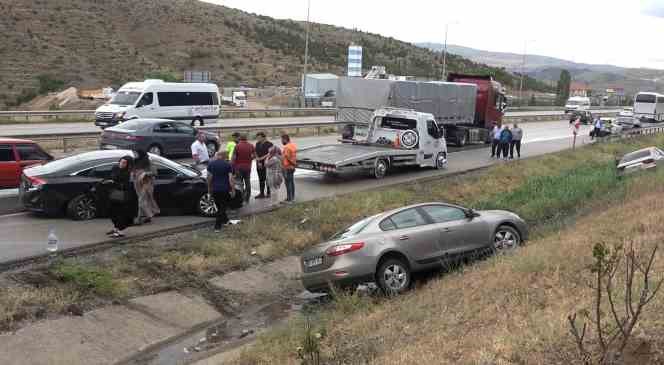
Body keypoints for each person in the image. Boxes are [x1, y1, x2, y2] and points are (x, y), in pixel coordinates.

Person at [106, 156, 135, 238]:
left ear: (128, 164)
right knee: (111, 211)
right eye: (121, 162)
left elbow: (126, 185)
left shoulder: (128, 173)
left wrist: (114, 182)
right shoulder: (115, 168)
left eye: (124, 163)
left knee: (120, 213)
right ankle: (116, 228)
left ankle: (120, 231)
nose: (121, 164)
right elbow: (111, 176)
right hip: (113, 193)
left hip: (123, 196)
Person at [207, 151, 235, 232]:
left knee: (219, 206)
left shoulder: (211, 164)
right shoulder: (228, 165)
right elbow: (231, 178)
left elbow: (209, 178)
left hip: (215, 189)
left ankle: (225, 221)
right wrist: (233, 189)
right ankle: (217, 226)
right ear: (224, 156)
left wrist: (209, 189)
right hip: (225, 189)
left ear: (218, 155)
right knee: (222, 207)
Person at [133, 150, 159, 224]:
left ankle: (143, 217)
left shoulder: (149, 162)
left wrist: (145, 173)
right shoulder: (135, 161)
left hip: (147, 184)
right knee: (142, 200)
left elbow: (154, 172)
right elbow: (133, 171)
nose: (135, 155)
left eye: (136, 153)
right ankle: (147, 217)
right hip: (137, 184)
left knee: (141, 201)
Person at [232, 134, 255, 204]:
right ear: (246, 138)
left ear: (240, 139)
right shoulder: (251, 145)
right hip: (248, 167)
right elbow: (254, 156)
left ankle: (240, 198)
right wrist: (250, 159)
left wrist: (232, 166)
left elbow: (234, 158)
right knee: (247, 182)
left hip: (238, 168)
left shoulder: (237, 146)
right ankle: (247, 199)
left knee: (239, 183)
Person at [254, 132, 273, 199]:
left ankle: (268, 193)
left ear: (263, 137)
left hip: (267, 164)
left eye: (259, 137)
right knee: (261, 179)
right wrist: (258, 160)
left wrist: (262, 158)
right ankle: (261, 193)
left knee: (267, 178)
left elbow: (270, 153)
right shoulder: (257, 143)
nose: (258, 139)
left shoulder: (269, 144)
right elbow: (255, 152)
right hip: (259, 164)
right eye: (257, 138)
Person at [281, 134, 297, 203]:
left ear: (285, 139)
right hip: (292, 167)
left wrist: (292, 163)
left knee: (288, 183)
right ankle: (292, 197)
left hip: (287, 167)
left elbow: (287, 157)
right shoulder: (293, 145)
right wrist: (294, 164)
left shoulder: (286, 147)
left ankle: (289, 199)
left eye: (282, 140)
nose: (281, 141)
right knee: (291, 182)